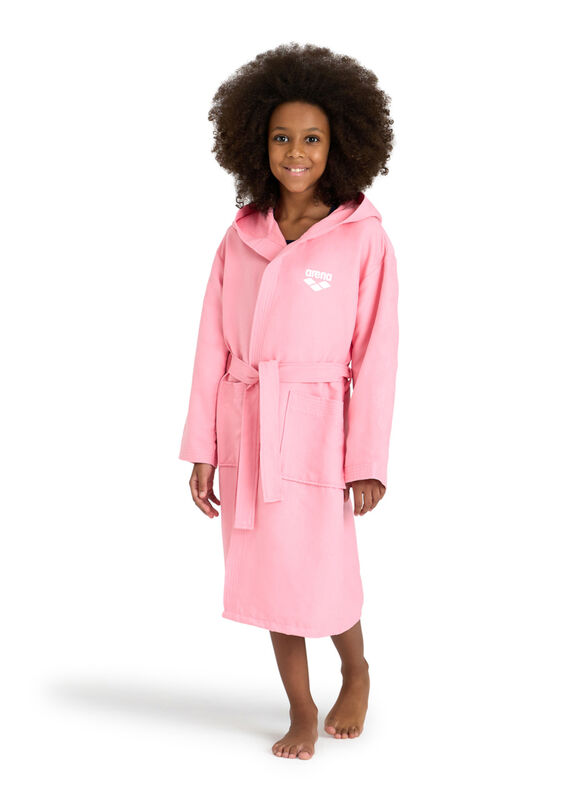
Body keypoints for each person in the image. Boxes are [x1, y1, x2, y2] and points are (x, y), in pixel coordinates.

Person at [178, 43, 399, 760]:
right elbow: (211, 345)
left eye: (311, 139)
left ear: (339, 145)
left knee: (322, 568)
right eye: (280, 137)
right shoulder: (241, 236)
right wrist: (204, 448)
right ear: (256, 143)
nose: (295, 153)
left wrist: (367, 461)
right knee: (273, 575)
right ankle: (301, 707)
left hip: (319, 430)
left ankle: (356, 670)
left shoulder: (361, 237)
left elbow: (378, 356)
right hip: (248, 424)